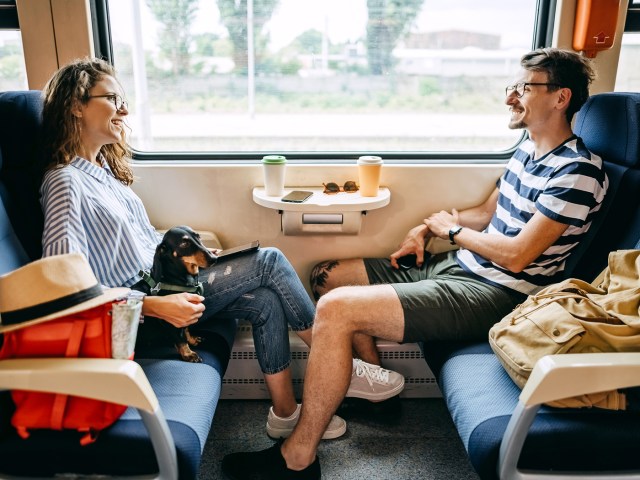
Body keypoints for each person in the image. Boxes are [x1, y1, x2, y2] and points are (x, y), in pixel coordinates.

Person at [221, 47, 609, 479]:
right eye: (512, 87)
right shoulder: (526, 154)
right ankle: (379, 392)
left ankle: (298, 457)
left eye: (523, 87)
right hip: (463, 265)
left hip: (501, 292)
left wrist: (452, 233)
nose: (510, 97)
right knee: (328, 277)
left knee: (337, 310)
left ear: (560, 98)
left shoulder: (577, 171)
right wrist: (429, 228)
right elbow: (484, 213)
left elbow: (519, 256)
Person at [39, 57, 404, 442]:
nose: (125, 109)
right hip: (139, 315)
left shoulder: (105, 176)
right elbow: (60, 286)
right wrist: (148, 305)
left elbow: (139, 245)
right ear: (76, 106)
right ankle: (343, 369)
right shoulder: (65, 182)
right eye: (113, 98)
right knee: (270, 262)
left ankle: (285, 415)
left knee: (265, 299)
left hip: (162, 289)